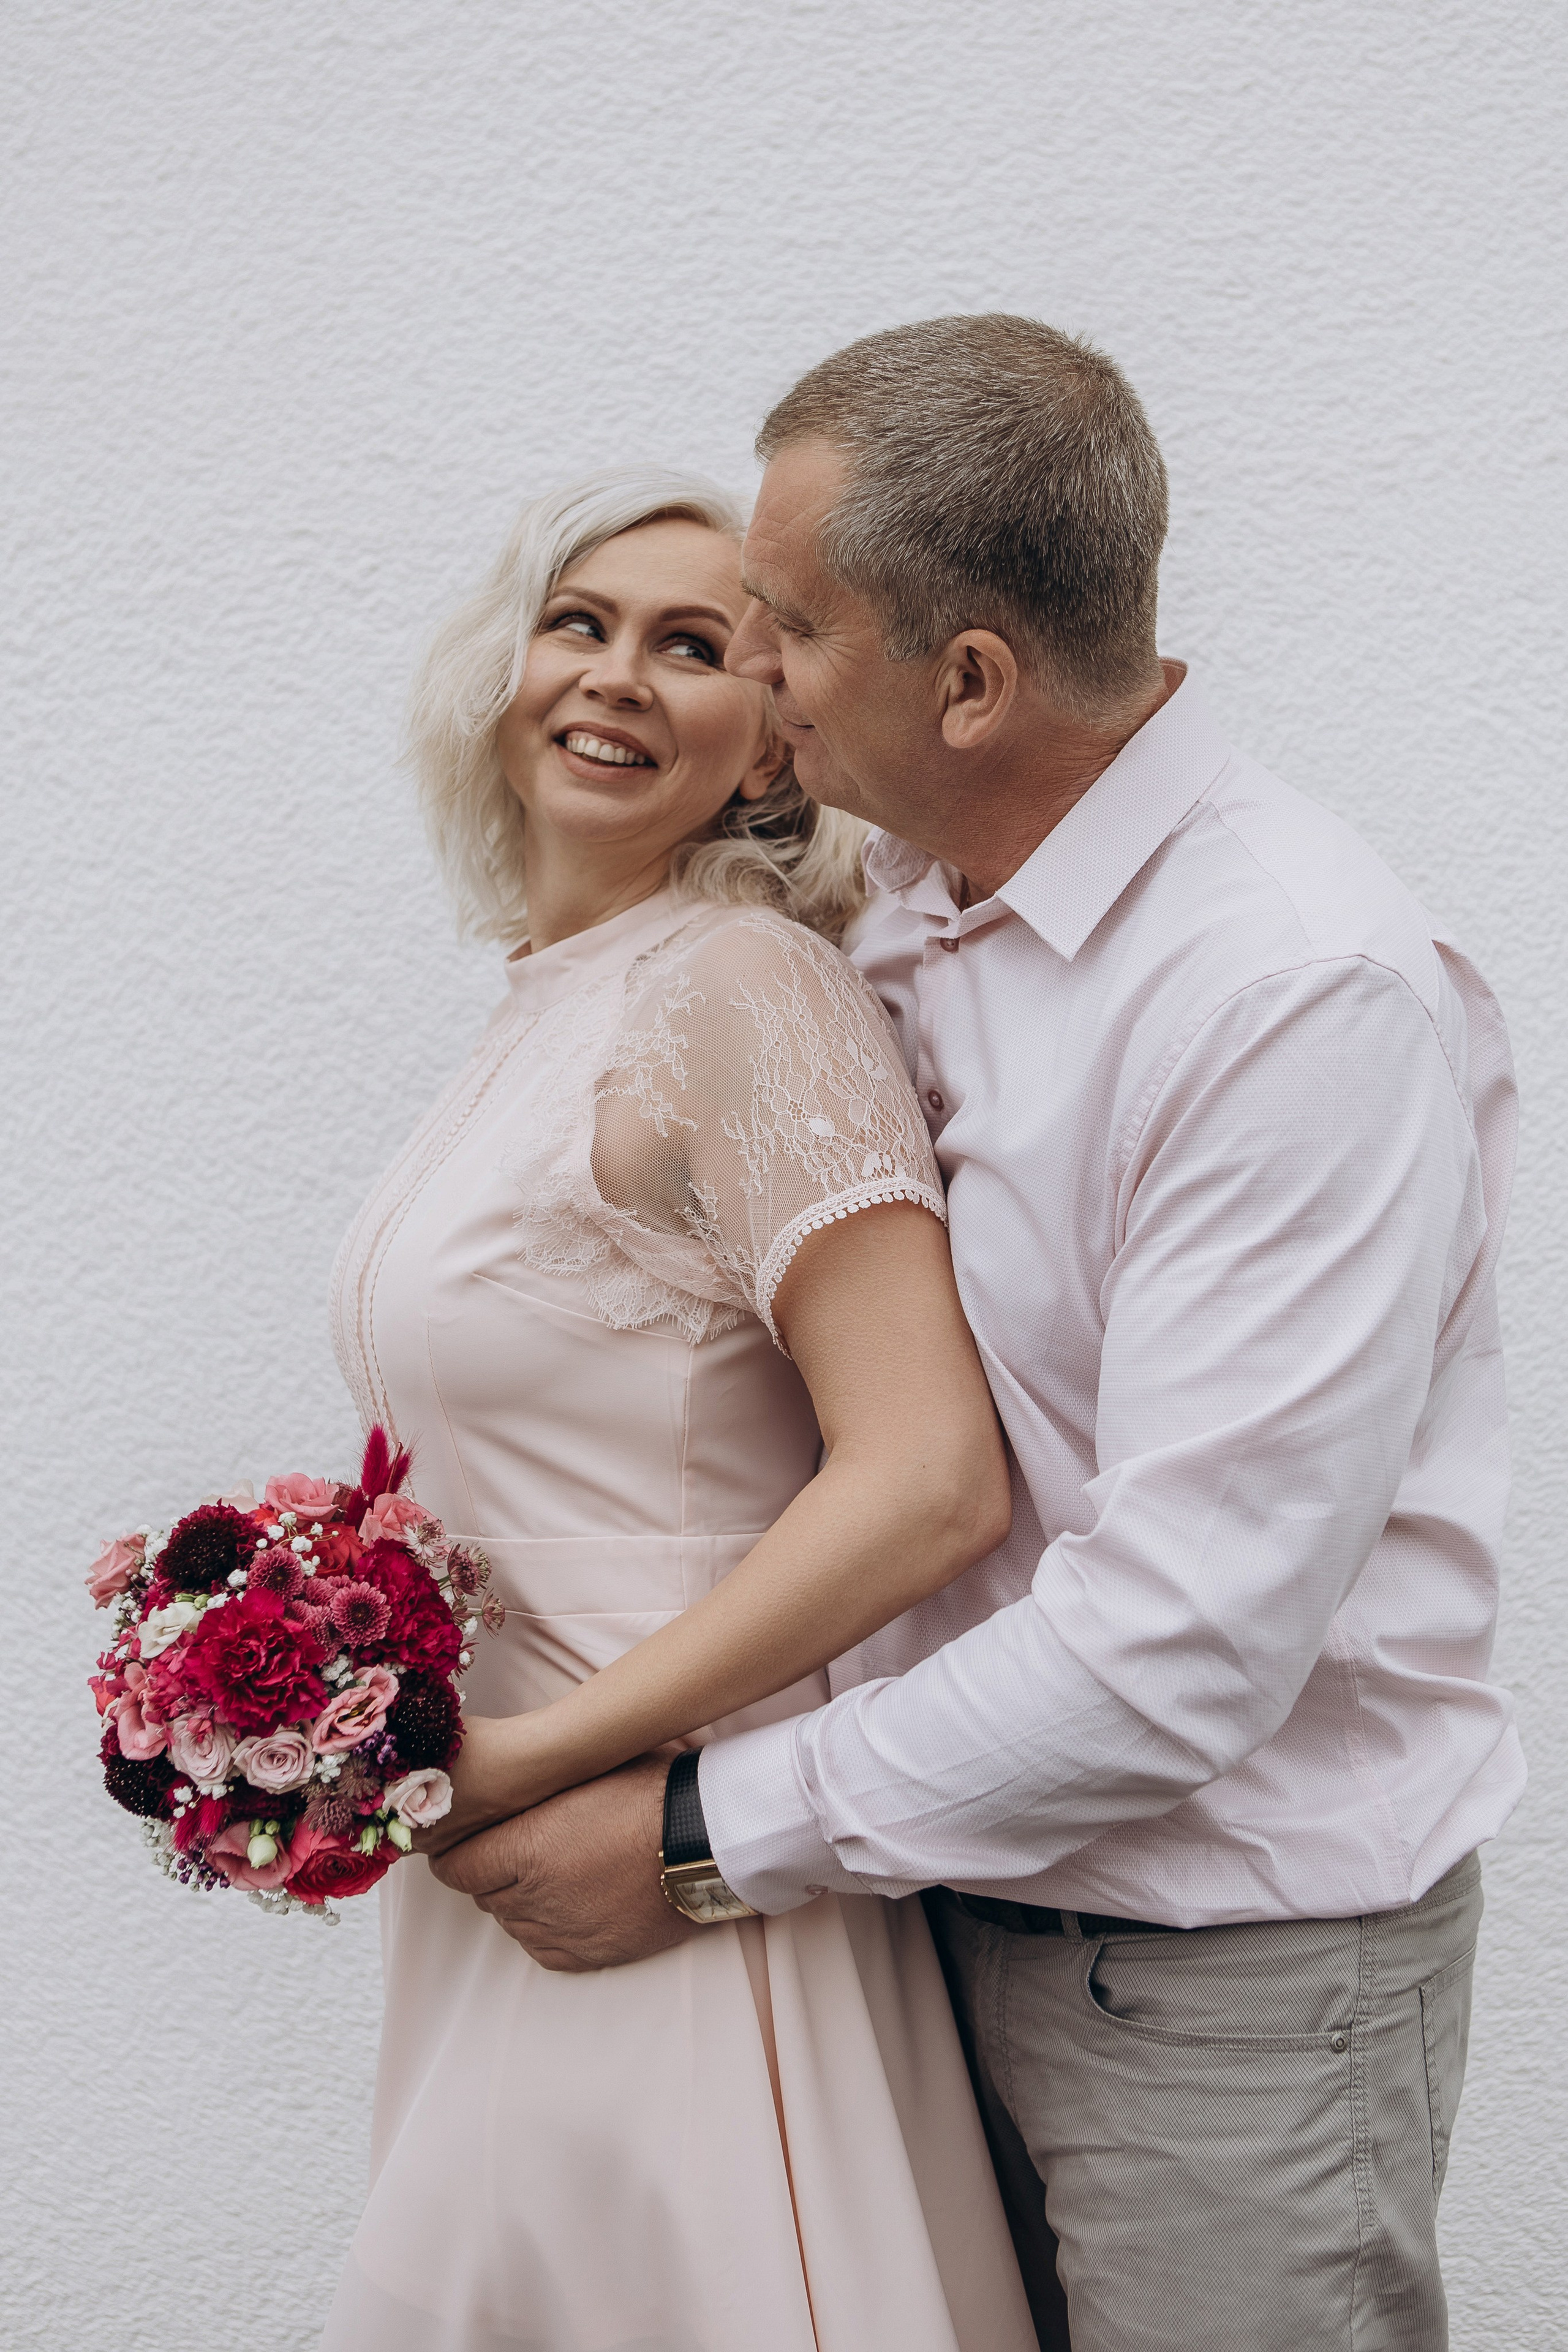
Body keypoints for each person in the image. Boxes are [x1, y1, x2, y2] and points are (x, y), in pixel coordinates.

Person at [433, 320, 1524, 2352]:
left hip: (1219, 1982)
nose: (747, 674)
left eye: (783, 628)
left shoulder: (1292, 995)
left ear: (971, 681)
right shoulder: (922, 904)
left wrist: (687, 1840)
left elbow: (1180, 1637)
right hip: (918, 1911)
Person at [319, 466, 1039, 2351]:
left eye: (696, 645)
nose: (620, 676)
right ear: (504, 669)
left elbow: (927, 1480)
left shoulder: (741, 985)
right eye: (583, 624)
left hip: (662, 1844)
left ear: (772, 749)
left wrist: (542, 1769)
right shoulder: (543, 1001)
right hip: (504, 1841)